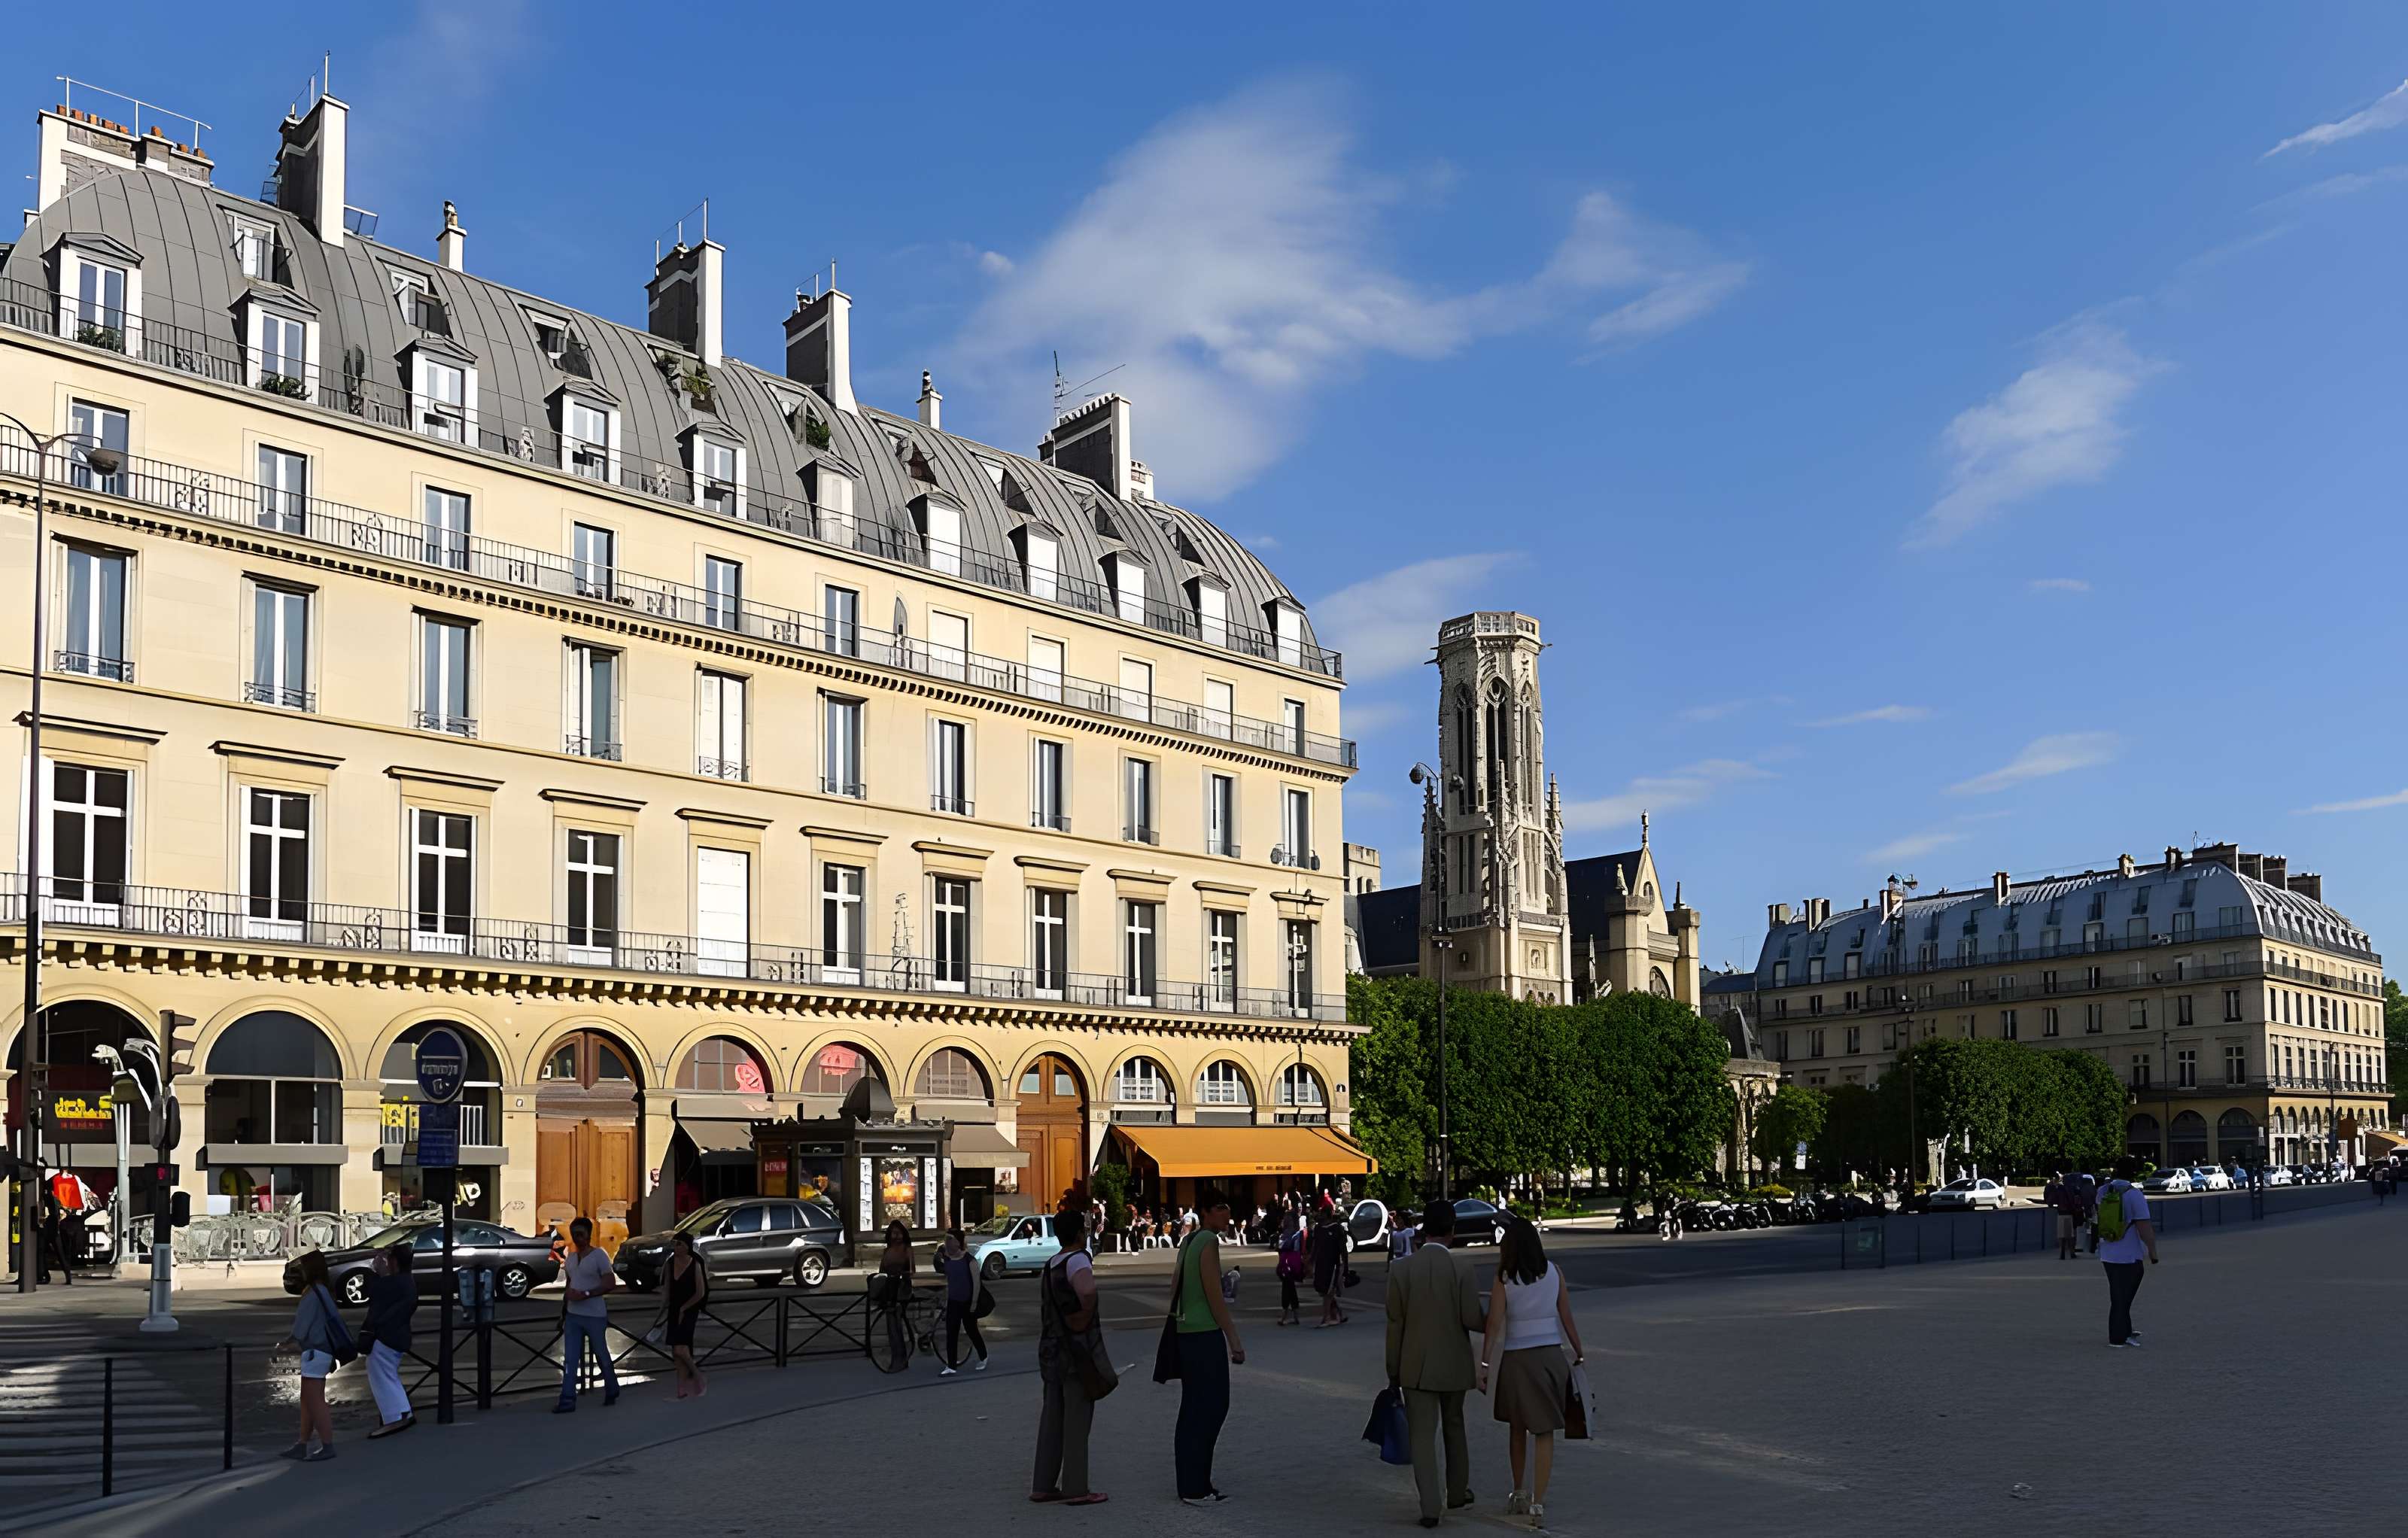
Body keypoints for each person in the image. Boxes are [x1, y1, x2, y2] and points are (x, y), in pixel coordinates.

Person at [1479, 1218, 1583, 1527]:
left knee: (1517, 1426)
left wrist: (1485, 1364)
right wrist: (1578, 1350)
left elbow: (1494, 1323)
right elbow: (1566, 1315)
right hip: (1550, 1356)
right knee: (1545, 1430)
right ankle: (1539, 1502)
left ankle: (1519, 1492)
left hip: (1517, 1359)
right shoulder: (1554, 1272)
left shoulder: (1504, 1278)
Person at [1386, 1197, 1483, 1527]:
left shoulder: (1401, 1270)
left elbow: (1395, 1325)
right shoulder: (1462, 1269)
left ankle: (1430, 1506)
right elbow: (1472, 1319)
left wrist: (1393, 1369)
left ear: (1422, 1230)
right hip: (1455, 1363)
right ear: (1452, 1231)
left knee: (1422, 1436)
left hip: (1415, 1366)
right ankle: (1457, 1491)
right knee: (1455, 1425)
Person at [1169, 1187, 1245, 1506]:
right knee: (1213, 1407)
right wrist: (1234, 1339)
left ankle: (1191, 1481)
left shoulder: (1189, 1241)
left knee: (1192, 1409)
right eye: (1221, 1207)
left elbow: (1175, 1286)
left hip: (1186, 1330)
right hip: (1205, 1332)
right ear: (1206, 1212)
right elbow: (1214, 1295)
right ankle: (1196, 1486)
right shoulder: (1209, 1242)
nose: (1227, 1213)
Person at [1030, 1208, 1108, 1506]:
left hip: (1051, 1349)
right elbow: (1087, 1293)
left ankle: (1043, 1484)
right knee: (1077, 1418)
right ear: (1079, 1233)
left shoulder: (1052, 1262)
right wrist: (1082, 1320)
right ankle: (1076, 1487)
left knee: (1052, 1416)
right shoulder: (1078, 1260)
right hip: (1075, 1351)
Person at [277, 1249, 342, 1460]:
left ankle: (327, 1446)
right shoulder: (322, 1290)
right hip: (321, 1351)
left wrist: (286, 1345)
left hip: (315, 1352)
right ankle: (302, 1444)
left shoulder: (313, 1294)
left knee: (315, 1402)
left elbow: (301, 1329)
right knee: (308, 1400)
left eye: (302, 1267)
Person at [554, 1217, 621, 1412]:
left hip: (594, 1315)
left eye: (581, 1234)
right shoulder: (571, 1259)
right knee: (570, 1358)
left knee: (601, 1354)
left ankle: (612, 1388)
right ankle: (567, 1399)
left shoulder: (599, 1255)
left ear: (589, 1235)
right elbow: (569, 1285)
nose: (577, 1238)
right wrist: (564, 1312)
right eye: (574, 1235)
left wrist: (586, 1294)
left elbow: (610, 1283)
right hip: (573, 1315)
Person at [2096, 1156, 2160, 1348]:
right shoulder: (2134, 1195)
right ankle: (2118, 1337)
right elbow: (2144, 1228)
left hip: (2107, 1250)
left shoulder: (2103, 1191)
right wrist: (2153, 1252)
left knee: (2118, 1293)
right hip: (2129, 1253)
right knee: (2122, 1297)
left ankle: (2125, 1329)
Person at [362, 1242, 417, 1437]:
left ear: (394, 1262)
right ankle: (401, 1413)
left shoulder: (395, 1282)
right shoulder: (406, 1281)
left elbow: (371, 1291)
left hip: (386, 1338)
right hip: (396, 1337)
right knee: (388, 1376)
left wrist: (376, 1270)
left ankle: (395, 1417)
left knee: (383, 1377)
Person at [934, 1225, 990, 1374]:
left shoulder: (970, 1261)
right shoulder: (947, 1259)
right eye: (946, 1240)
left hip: (968, 1303)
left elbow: (977, 1284)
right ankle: (951, 1365)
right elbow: (943, 1273)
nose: (947, 1243)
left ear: (958, 1243)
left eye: (950, 1240)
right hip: (953, 1302)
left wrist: (974, 1303)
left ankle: (983, 1356)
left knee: (972, 1331)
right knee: (951, 1333)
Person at [661, 1229, 708, 1399]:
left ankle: (698, 1375)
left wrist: (684, 1308)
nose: (676, 1247)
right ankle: (682, 1389)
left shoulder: (695, 1263)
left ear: (687, 1247)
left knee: (681, 1348)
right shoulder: (670, 1263)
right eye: (674, 1244)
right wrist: (662, 1309)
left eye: (679, 1244)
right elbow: (667, 1288)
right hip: (674, 1308)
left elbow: (700, 1292)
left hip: (690, 1308)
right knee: (676, 1352)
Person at [1311, 1203, 1348, 1327]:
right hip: (1321, 1263)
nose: (1319, 1215)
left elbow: (1343, 1249)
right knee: (1323, 1291)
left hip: (1333, 1264)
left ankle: (1326, 1317)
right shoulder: (1318, 1229)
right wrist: (1311, 1261)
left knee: (1328, 1291)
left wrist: (1345, 1266)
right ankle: (1339, 1313)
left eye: (1322, 1213)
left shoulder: (1337, 1228)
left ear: (1327, 1215)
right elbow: (1315, 1246)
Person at [1274, 1209, 1306, 1327]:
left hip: (1287, 1264)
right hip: (1292, 1263)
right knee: (1290, 1288)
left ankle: (1285, 1313)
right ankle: (1295, 1314)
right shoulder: (1296, 1233)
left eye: (1287, 1218)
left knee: (1287, 1288)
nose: (1285, 1220)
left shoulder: (1290, 1233)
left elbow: (1282, 1247)